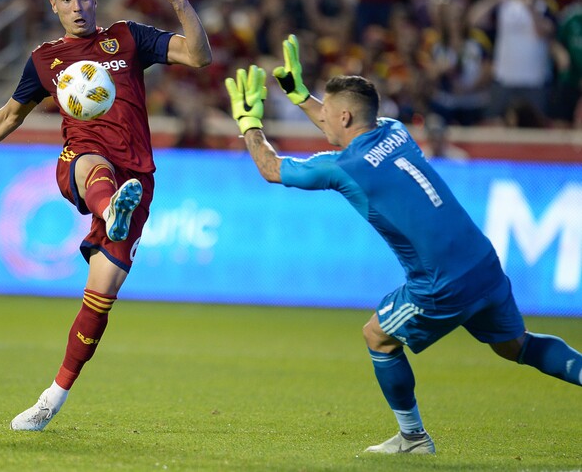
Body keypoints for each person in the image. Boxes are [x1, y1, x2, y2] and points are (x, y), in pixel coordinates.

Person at [224, 34, 582, 454]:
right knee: (514, 346)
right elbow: (341, 125)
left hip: (440, 282)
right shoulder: (394, 130)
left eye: (326, 110)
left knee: (377, 336)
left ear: (342, 116)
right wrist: (301, 96)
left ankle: (413, 437)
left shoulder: (345, 168)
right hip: (482, 261)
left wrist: (249, 124)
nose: (323, 119)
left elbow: (270, 168)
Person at [0, 0, 211, 431]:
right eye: (67, 0)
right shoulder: (45, 59)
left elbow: (198, 56)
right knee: (89, 161)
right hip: (83, 160)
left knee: (102, 294)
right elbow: (8, 116)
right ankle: (109, 206)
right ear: (53, 6)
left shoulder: (128, 37)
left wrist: (180, 1)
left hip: (136, 175)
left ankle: (51, 399)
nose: (77, 7)